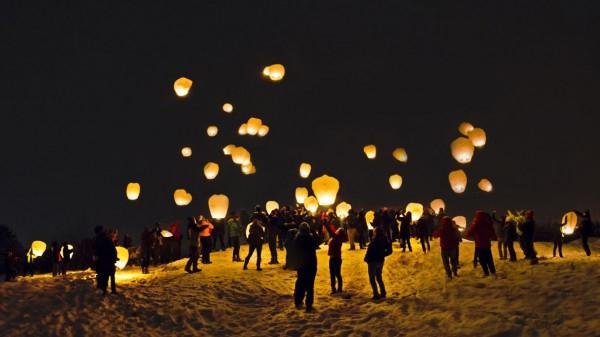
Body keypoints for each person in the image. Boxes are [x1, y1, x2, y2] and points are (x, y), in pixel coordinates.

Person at [293, 222, 320, 312]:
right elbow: (318, 242)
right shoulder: (311, 238)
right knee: (309, 284)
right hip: (311, 263)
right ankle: (309, 303)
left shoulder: (297, 238)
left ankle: (298, 300)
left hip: (301, 264)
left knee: (300, 282)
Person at [364, 227, 392, 300]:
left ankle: (376, 294)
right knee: (379, 277)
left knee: (372, 278)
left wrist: (366, 259)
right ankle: (383, 292)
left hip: (373, 261)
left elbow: (370, 251)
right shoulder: (384, 240)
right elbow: (390, 250)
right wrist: (383, 254)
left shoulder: (375, 241)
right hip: (380, 261)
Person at [466, 211, 497, 277]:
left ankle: (486, 273)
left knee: (482, 260)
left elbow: (469, 233)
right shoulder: (488, 224)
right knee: (489, 259)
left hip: (479, 245)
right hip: (487, 245)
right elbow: (493, 233)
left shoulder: (476, 224)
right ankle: (493, 272)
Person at [94, 226, 118, 295]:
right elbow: (111, 249)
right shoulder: (105, 239)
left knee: (104, 275)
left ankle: (104, 289)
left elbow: (96, 251)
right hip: (107, 260)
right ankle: (109, 290)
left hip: (103, 260)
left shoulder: (98, 239)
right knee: (108, 275)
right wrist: (114, 257)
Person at [326, 224, 348, 294]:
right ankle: (337, 288)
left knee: (335, 274)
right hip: (335, 258)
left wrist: (326, 224)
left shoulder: (336, 238)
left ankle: (336, 289)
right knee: (335, 274)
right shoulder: (338, 238)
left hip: (335, 258)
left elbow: (330, 231)